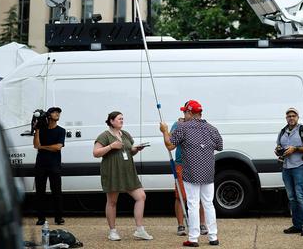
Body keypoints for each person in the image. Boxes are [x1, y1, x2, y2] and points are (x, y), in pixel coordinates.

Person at [160, 100, 223, 247]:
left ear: (189, 113)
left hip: (191, 171)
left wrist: (164, 131)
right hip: (208, 171)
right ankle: (213, 237)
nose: (183, 115)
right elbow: (219, 146)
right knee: (208, 204)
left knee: (193, 204)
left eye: (185, 112)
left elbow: (170, 145)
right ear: (200, 113)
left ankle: (193, 239)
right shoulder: (211, 128)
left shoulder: (183, 127)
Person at [93, 111, 152, 242]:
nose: (122, 121)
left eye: (122, 119)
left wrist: (136, 149)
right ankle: (112, 231)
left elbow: (129, 151)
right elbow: (96, 153)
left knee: (141, 196)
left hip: (128, 171)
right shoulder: (104, 135)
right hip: (113, 172)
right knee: (112, 202)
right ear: (111, 121)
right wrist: (111, 146)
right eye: (119, 119)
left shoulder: (125, 134)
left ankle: (139, 230)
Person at [276, 106, 303, 236]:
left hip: (299, 166)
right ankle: (297, 225)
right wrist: (278, 150)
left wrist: (295, 149)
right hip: (286, 167)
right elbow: (278, 147)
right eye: (289, 116)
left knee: (301, 197)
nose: (291, 118)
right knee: (292, 198)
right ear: (286, 118)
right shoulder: (282, 132)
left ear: (297, 117)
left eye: (293, 116)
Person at [171, 115, 206, 237]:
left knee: (200, 195)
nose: (186, 114)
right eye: (185, 112)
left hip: (198, 163)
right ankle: (181, 225)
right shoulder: (177, 124)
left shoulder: (202, 125)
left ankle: (202, 224)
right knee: (181, 196)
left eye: (188, 112)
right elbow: (170, 142)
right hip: (181, 163)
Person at [34, 106, 66, 226]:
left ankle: (59, 217)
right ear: (48, 115)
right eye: (54, 112)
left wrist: (43, 147)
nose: (57, 114)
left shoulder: (61, 130)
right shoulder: (41, 130)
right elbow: (36, 144)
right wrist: (36, 130)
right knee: (40, 192)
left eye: (58, 112)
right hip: (41, 165)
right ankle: (41, 218)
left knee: (57, 191)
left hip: (54, 165)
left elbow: (58, 147)